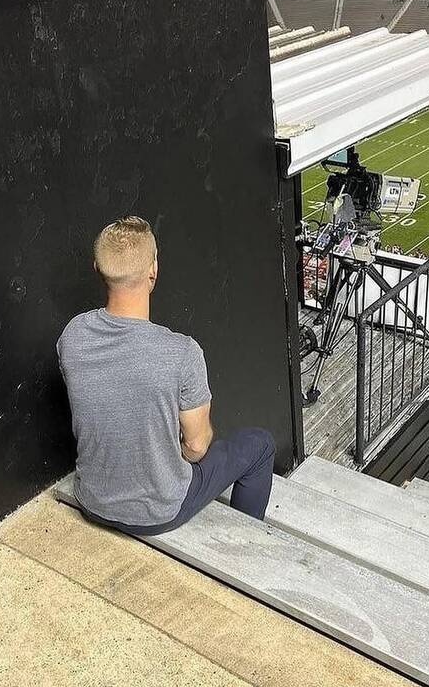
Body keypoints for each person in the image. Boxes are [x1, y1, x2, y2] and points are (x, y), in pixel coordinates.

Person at [57, 216, 276, 536]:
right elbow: (197, 447)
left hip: (92, 500)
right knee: (260, 444)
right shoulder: (182, 352)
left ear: (97, 269)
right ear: (153, 271)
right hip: (159, 513)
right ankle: (247, 542)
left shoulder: (72, 336)